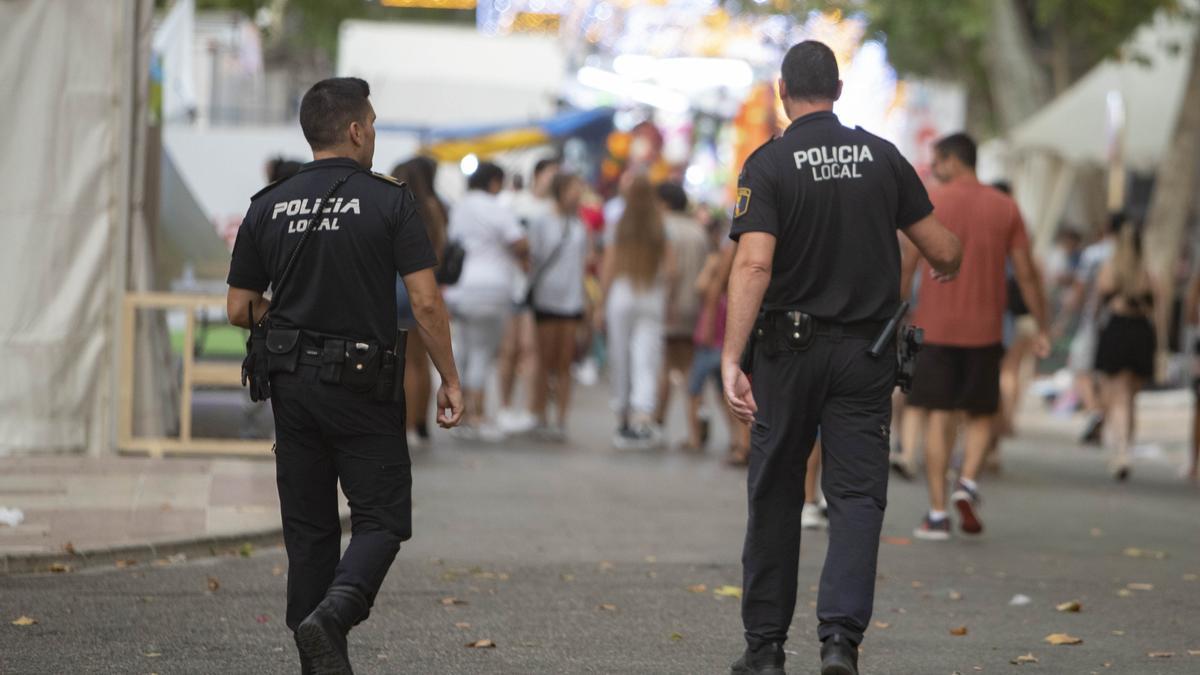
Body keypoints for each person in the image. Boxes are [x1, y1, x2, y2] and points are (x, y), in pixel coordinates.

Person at [721, 41, 962, 675]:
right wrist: (946, 259)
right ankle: (838, 643)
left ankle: (766, 649)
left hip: (787, 354)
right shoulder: (884, 158)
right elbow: (942, 248)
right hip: (865, 355)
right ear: (839, 88)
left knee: (775, 492)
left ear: (782, 91)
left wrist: (730, 356)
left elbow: (753, 262)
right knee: (857, 497)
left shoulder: (769, 165)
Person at [225, 77, 463, 674]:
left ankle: (318, 658)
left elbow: (238, 307)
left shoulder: (268, 203)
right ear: (356, 130)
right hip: (362, 383)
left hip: (291, 385)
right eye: (374, 125)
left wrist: (291, 324)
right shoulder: (390, 200)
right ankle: (336, 614)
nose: (375, 135)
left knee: (309, 533)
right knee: (382, 518)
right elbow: (427, 303)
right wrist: (450, 380)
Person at [902, 133, 1049, 542]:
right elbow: (1027, 273)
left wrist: (894, 315)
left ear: (952, 160)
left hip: (935, 329)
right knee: (982, 414)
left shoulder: (931, 201)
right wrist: (1042, 324)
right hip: (986, 331)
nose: (934, 168)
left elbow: (908, 264)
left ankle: (935, 514)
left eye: (937, 161)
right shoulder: (1006, 207)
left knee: (939, 417)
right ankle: (966, 482)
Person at [443, 161, 529, 438]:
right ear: (494, 182)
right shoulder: (497, 208)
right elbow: (519, 242)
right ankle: (475, 415)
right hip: (492, 288)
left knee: (465, 350)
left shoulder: (461, 207)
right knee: (482, 353)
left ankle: (462, 414)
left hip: (460, 288)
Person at [597, 175, 674, 449]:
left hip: (622, 293)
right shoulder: (659, 225)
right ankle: (642, 416)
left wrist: (600, 304)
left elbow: (608, 264)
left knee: (620, 355)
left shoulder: (619, 223)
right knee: (646, 357)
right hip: (650, 294)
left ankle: (622, 415)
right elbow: (671, 270)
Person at [496, 157, 559, 434]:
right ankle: (505, 406)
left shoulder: (555, 210)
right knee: (509, 349)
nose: (554, 179)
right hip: (511, 286)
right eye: (551, 173)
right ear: (538, 174)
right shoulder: (513, 202)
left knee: (533, 350)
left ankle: (532, 409)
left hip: (540, 289)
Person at [1093, 222, 1157, 480]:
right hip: (1141, 333)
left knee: (1116, 395)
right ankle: (1125, 446)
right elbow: (1157, 309)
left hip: (1118, 330)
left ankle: (1120, 449)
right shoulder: (1148, 273)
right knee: (1130, 397)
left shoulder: (1110, 269)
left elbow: (1099, 301)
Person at [528, 172, 589, 440]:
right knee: (544, 359)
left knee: (566, 362)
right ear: (561, 190)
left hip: (572, 300)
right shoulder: (542, 221)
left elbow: (583, 265)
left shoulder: (579, 225)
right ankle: (539, 413)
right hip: (546, 298)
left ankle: (561, 418)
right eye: (573, 188)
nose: (577, 194)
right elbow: (534, 258)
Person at [392, 159, 447, 445]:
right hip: (425, 286)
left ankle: (404, 426)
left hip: (395, 285)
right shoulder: (434, 209)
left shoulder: (393, 204)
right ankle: (419, 423)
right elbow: (439, 250)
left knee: (401, 364)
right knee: (420, 362)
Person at [684, 221, 750, 462]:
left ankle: (695, 437)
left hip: (711, 345)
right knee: (730, 397)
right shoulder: (739, 293)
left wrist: (711, 267)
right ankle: (739, 441)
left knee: (693, 390)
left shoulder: (717, 287)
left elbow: (700, 287)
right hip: (729, 346)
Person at [656, 181, 711, 437]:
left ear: (664, 203)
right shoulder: (698, 230)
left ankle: (657, 421)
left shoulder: (664, 229)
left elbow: (668, 273)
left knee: (666, 365)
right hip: (695, 308)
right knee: (691, 368)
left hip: (670, 306)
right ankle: (695, 427)